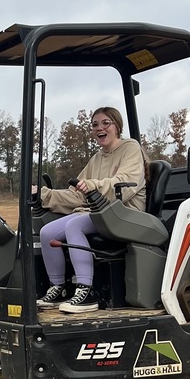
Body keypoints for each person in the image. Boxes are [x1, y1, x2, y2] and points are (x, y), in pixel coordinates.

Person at [35, 106, 146, 314]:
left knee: (74, 225)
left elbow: (125, 183)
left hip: (125, 211)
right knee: (47, 232)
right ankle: (58, 287)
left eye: (106, 123)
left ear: (117, 126)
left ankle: (87, 291)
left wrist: (93, 186)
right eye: (95, 125)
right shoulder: (97, 158)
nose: (99, 128)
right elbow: (77, 194)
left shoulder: (130, 148)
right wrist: (44, 195)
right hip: (98, 211)